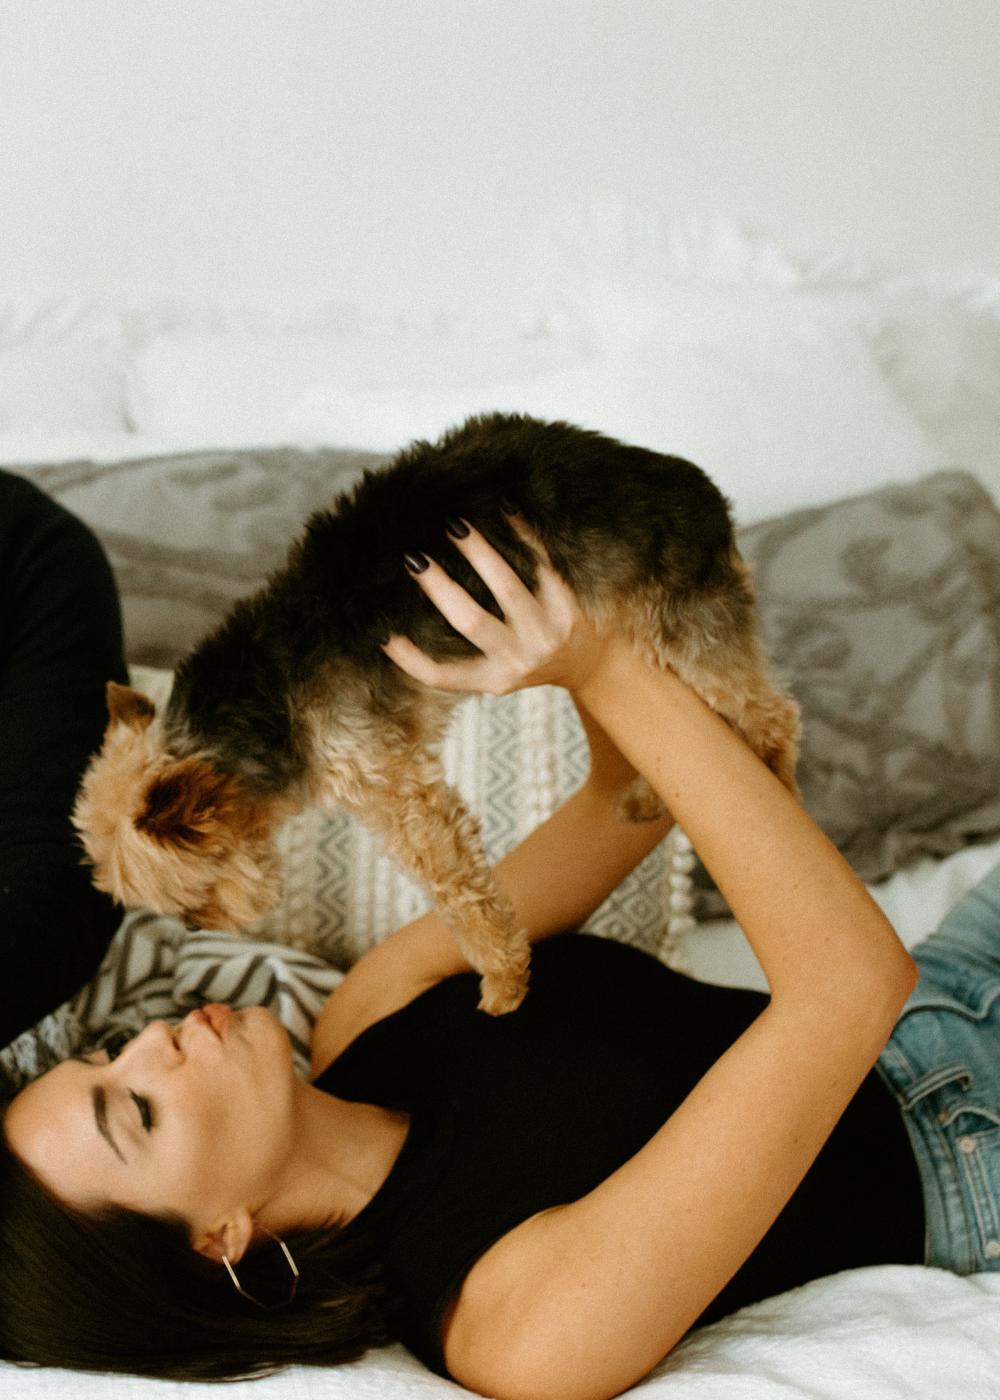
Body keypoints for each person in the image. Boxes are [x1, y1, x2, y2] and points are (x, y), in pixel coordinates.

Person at [2, 498, 998, 1399]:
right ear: (217, 1240)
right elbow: (848, 987)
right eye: (136, 1109)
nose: (153, 1042)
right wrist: (605, 666)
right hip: (970, 1156)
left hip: (950, 989)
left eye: (111, 1053)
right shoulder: (514, 1327)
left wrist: (564, 598)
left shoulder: (371, 1010)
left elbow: (628, 800)